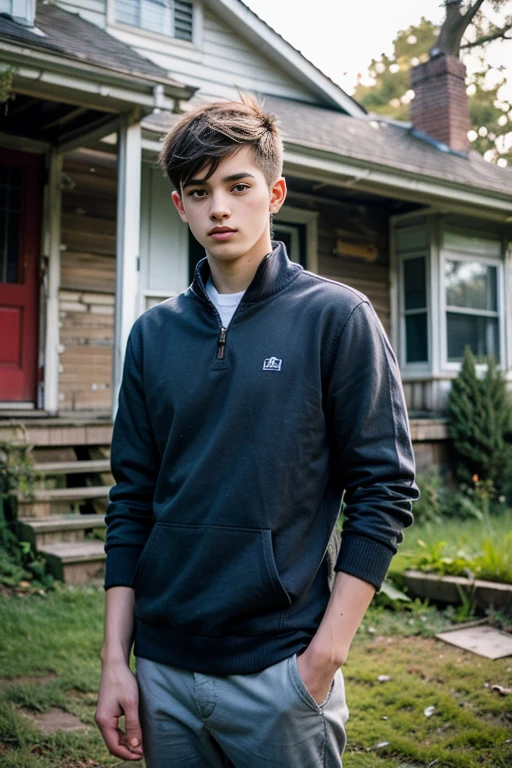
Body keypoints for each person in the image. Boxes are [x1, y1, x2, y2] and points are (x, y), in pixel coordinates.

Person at [95, 95, 420, 767]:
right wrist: (116, 662)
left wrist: (323, 659)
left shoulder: (337, 318)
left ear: (273, 193)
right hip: (162, 672)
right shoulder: (153, 337)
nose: (219, 207)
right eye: (199, 191)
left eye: (237, 186)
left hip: (281, 672)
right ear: (180, 206)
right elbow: (130, 501)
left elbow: (384, 491)